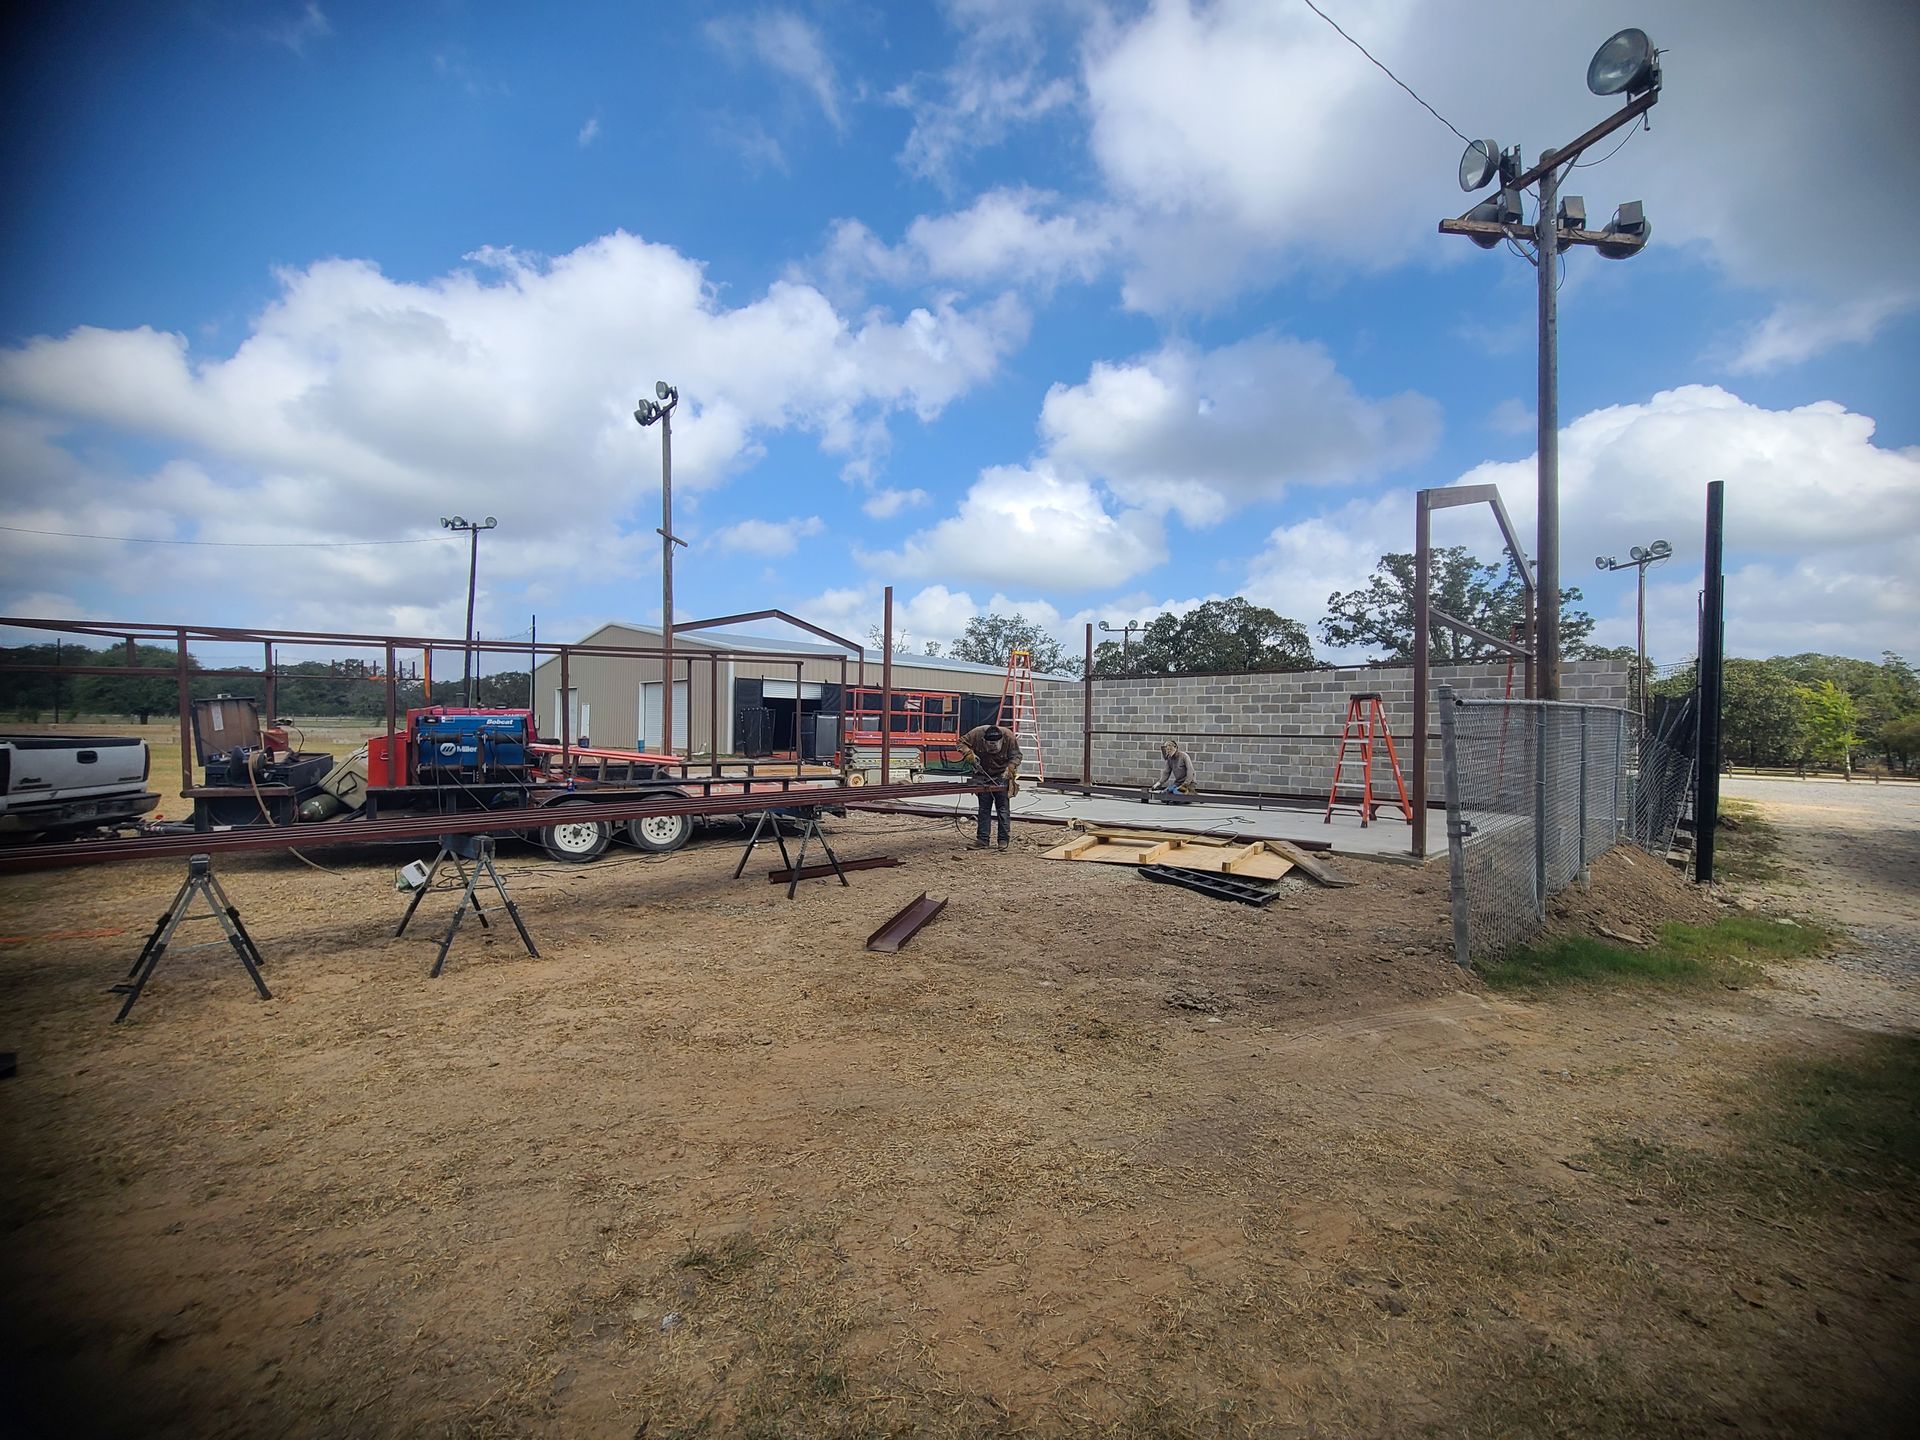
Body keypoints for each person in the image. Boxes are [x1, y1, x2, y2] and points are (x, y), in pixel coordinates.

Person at [957, 722, 1021, 850]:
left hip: (1002, 775)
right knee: (984, 808)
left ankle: (1003, 840)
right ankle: (982, 839)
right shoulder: (976, 733)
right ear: (983, 740)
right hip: (983, 774)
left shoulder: (1009, 737)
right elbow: (961, 742)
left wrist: (1011, 768)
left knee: (1002, 809)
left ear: (1001, 740)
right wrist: (968, 753)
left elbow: (1016, 756)